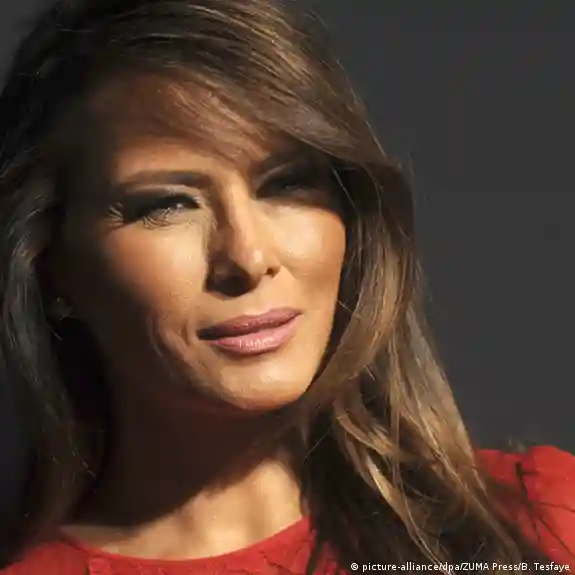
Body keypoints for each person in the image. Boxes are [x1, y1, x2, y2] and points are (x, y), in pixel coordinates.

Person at [0, 0, 573, 573]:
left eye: (286, 184)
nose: (249, 258)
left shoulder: (544, 523)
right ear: (52, 267)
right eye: (168, 204)